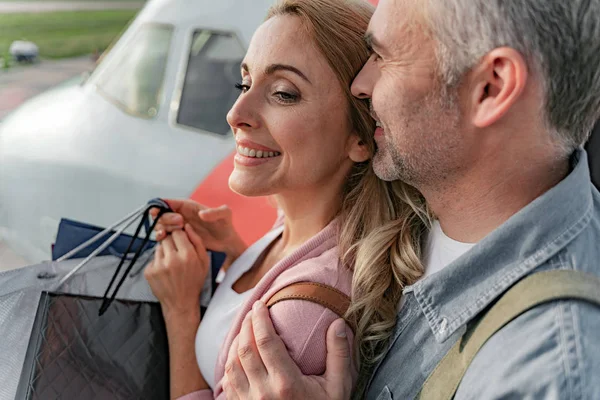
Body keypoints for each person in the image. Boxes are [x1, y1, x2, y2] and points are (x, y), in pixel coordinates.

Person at [221, 0, 600, 399]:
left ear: (492, 88)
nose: (360, 85)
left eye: (383, 57)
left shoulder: (542, 371)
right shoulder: (413, 218)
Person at [143, 0, 428, 399]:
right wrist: (239, 258)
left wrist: (180, 309)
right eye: (244, 84)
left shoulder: (303, 320)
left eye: (283, 94)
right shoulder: (301, 229)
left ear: (361, 137)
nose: (236, 113)